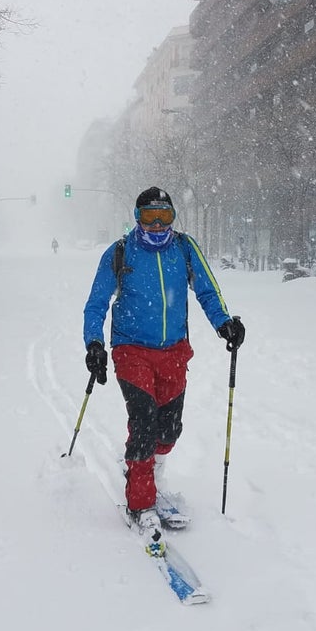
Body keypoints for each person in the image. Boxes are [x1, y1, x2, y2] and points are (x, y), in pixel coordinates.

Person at [83, 187, 245, 539]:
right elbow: (96, 303)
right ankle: (140, 501)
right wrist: (94, 343)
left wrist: (224, 322)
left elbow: (206, 289)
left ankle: (151, 475)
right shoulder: (121, 252)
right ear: (136, 218)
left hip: (174, 351)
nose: (157, 226)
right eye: (149, 217)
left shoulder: (184, 249)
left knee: (168, 430)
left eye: (165, 217)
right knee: (143, 422)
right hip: (131, 349)